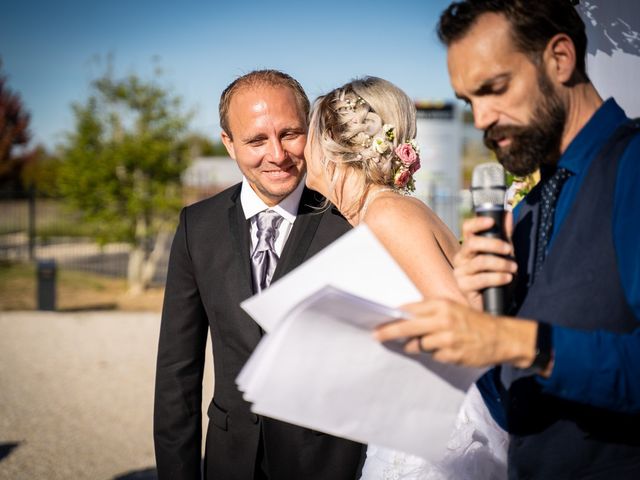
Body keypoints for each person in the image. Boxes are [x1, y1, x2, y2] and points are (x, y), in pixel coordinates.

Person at [375, 1, 640, 478]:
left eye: (494, 89)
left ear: (559, 59)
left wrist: (516, 340)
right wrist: (478, 321)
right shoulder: (525, 211)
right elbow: (510, 412)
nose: (480, 119)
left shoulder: (633, 168)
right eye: (468, 101)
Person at [153, 69, 365, 480]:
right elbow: (177, 370)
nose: (278, 154)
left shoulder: (352, 220)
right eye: (256, 140)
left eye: (290, 134)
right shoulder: (197, 226)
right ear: (228, 144)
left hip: (328, 465)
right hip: (229, 461)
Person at [305, 77, 507, 479]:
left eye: (309, 135)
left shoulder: (387, 214)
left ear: (331, 147)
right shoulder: (384, 211)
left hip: (437, 436)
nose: (301, 150)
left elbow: (464, 325)